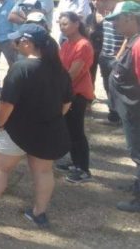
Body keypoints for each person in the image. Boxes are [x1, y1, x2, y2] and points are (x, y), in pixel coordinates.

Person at [0, 24, 72, 229]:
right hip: (47, 130)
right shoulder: (59, 69)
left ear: (27, 42)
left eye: (17, 41)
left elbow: (6, 104)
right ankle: (39, 213)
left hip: (16, 131)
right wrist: (51, 118)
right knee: (43, 172)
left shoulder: (20, 68)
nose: (14, 44)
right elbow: (66, 103)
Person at [105, 1, 140, 212]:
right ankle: (137, 185)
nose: (113, 24)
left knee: (138, 153)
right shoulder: (131, 40)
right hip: (129, 110)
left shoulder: (138, 46)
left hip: (136, 111)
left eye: (116, 20)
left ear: (130, 18)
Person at [56, 11, 95, 183]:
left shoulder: (83, 45)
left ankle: (84, 169)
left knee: (77, 131)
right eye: (60, 24)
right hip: (66, 93)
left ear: (76, 23)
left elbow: (73, 74)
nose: (61, 27)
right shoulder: (66, 44)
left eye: (65, 23)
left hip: (77, 94)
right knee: (69, 129)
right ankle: (74, 162)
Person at [96, 0, 123, 124]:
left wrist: (119, 55)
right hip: (105, 55)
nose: (103, 2)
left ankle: (121, 114)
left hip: (116, 57)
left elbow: (127, 37)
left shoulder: (121, 15)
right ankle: (113, 113)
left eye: (105, 0)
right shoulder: (107, 14)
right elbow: (98, 19)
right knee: (107, 84)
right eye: (102, 0)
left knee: (117, 86)